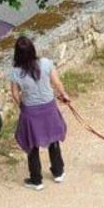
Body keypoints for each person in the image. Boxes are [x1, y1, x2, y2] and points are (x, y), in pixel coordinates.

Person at [9, 36, 70, 191]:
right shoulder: (46, 63)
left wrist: (22, 105)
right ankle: (58, 172)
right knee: (53, 139)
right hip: (49, 107)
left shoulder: (15, 72)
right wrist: (64, 95)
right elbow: (57, 83)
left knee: (32, 144)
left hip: (30, 111)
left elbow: (15, 94)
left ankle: (36, 179)